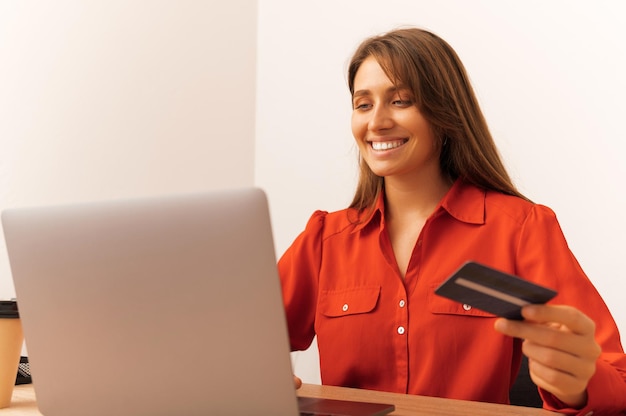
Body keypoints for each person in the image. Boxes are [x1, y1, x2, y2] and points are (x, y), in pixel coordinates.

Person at [278, 27, 626, 414]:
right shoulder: (325, 239)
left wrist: (577, 385)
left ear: (444, 112)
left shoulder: (519, 229)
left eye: (401, 101)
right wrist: (257, 376)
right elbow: (238, 344)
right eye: (363, 105)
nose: (376, 121)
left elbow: (617, 380)